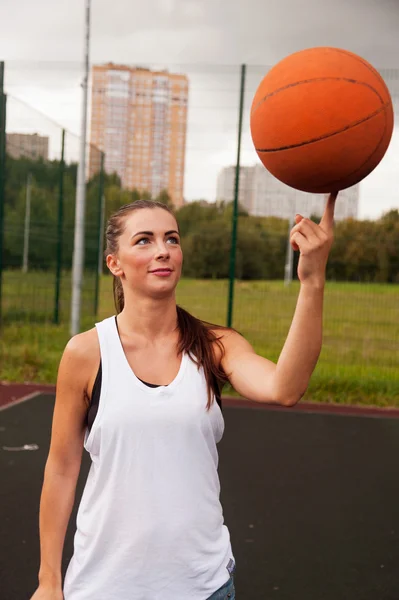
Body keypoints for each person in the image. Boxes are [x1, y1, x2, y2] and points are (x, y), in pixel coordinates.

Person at [31, 193, 337, 600]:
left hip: (203, 586)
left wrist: (312, 281)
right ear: (114, 264)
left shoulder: (215, 345)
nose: (163, 251)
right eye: (144, 241)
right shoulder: (87, 353)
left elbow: (285, 387)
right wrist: (49, 579)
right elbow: (62, 469)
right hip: (104, 586)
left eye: (171, 239)